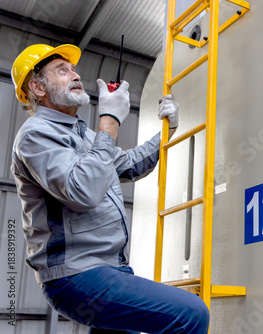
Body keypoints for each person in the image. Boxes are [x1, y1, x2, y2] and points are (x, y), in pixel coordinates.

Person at [10, 44, 210, 334]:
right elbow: (84, 191)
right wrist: (110, 121)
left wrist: (167, 130)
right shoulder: (35, 135)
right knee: (190, 313)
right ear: (38, 87)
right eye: (62, 70)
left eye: (74, 69)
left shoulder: (83, 134)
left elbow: (129, 164)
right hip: (78, 276)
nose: (75, 75)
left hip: (109, 270)